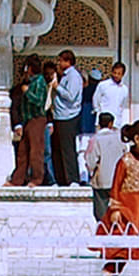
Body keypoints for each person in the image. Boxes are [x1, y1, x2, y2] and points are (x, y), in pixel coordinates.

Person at [99, 122, 139, 276]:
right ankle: (110, 270)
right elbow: (116, 186)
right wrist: (115, 209)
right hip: (127, 207)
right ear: (137, 139)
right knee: (122, 244)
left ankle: (113, 275)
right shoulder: (125, 161)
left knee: (133, 245)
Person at [50, 51, 86, 186]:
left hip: (68, 116)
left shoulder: (74, 77)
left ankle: (72, 178)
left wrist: (57, 87)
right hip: (60, 116)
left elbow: (71, 96)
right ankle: (62, 178)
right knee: (58, 149)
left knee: (68, 149)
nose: (59, 63)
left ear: (68, 62)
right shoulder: (65, 76)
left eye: (61, 61)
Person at [19, 59, 53, 186]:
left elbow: (39, 101)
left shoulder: (39, 82)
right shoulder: (31, 81)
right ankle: (18, 179)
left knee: (36, 151)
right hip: (28, 119)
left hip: (37, 119)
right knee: (23, 151)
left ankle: (37, 178)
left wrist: (27, 92)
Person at [88, 113, 126, 224]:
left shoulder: (95, 140)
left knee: (101, 208)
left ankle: (103, 227)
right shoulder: (119, 138)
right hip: (118, 178)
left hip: (102, 178)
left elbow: (91, 160)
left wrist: (91, 171)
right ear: (111, 124)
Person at [94, 63, 130, 134]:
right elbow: (96, 100)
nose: (116, 75)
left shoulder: (124, 89)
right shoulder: (103, 85)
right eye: (115, 73)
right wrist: (99, 112)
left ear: (123, 75)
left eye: (119, 73)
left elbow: (123, 105)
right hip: (102, 122)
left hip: (116, 122)